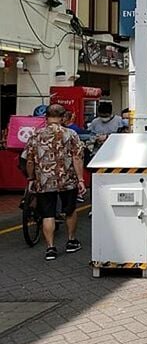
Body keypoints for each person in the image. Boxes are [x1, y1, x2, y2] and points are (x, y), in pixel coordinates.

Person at [24, 104, 86, 260]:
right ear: (63, 117)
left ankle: (50, 248)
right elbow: (77, 157)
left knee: (48, 214)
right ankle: (71, 241)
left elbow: (30, 161)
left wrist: (31, 178)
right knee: (70, 210)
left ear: (46, 117)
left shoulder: (36, 135)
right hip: (68, 180)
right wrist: (81, 179)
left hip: (44, 181)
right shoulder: (71, 134)